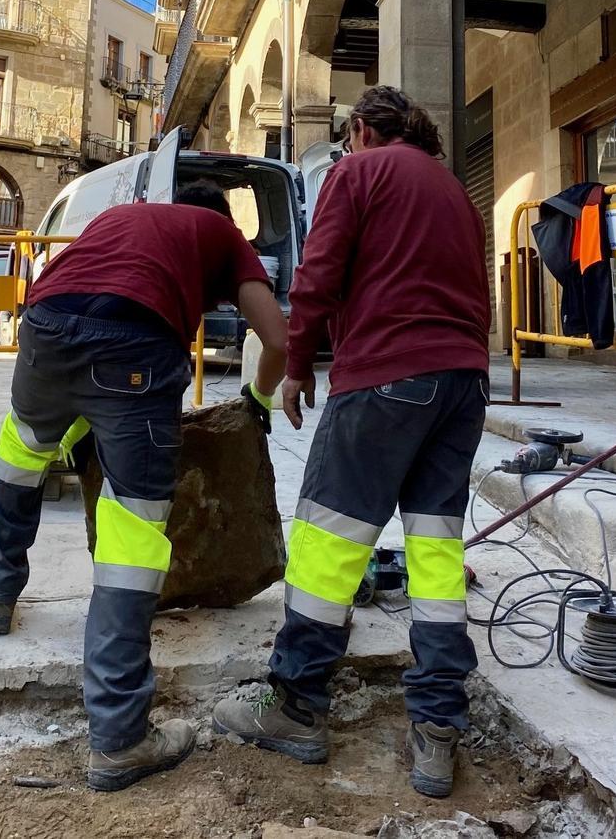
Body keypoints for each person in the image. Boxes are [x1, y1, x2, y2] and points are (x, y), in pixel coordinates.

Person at [212, 86, 492, 799]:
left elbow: (319, 277)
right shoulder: (455, 191)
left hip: (387, 377)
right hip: (462, 381)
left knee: (327, 541)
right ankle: (436, 728)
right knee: (435, 553)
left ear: (362, 130)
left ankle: (296, 706)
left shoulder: (357, 173)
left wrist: (297, 366)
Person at [0, 182, 288, 792]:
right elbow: (276, 337)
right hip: (135, 345)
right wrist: (259, 398)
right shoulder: (220, 232)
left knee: (21, 456)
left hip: (44, 329)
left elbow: (87, 294)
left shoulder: (122, 216)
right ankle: (119, 738)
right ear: (219, 214)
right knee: (134, 529)